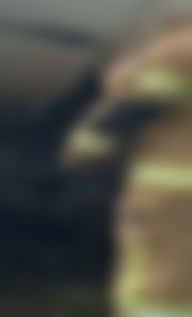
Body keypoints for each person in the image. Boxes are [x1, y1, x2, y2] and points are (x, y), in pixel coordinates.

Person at [64, 19, 192, 317]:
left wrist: (85, 148)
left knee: (158, 286)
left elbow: (137, 107)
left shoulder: (178, 46)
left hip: (170, 195)